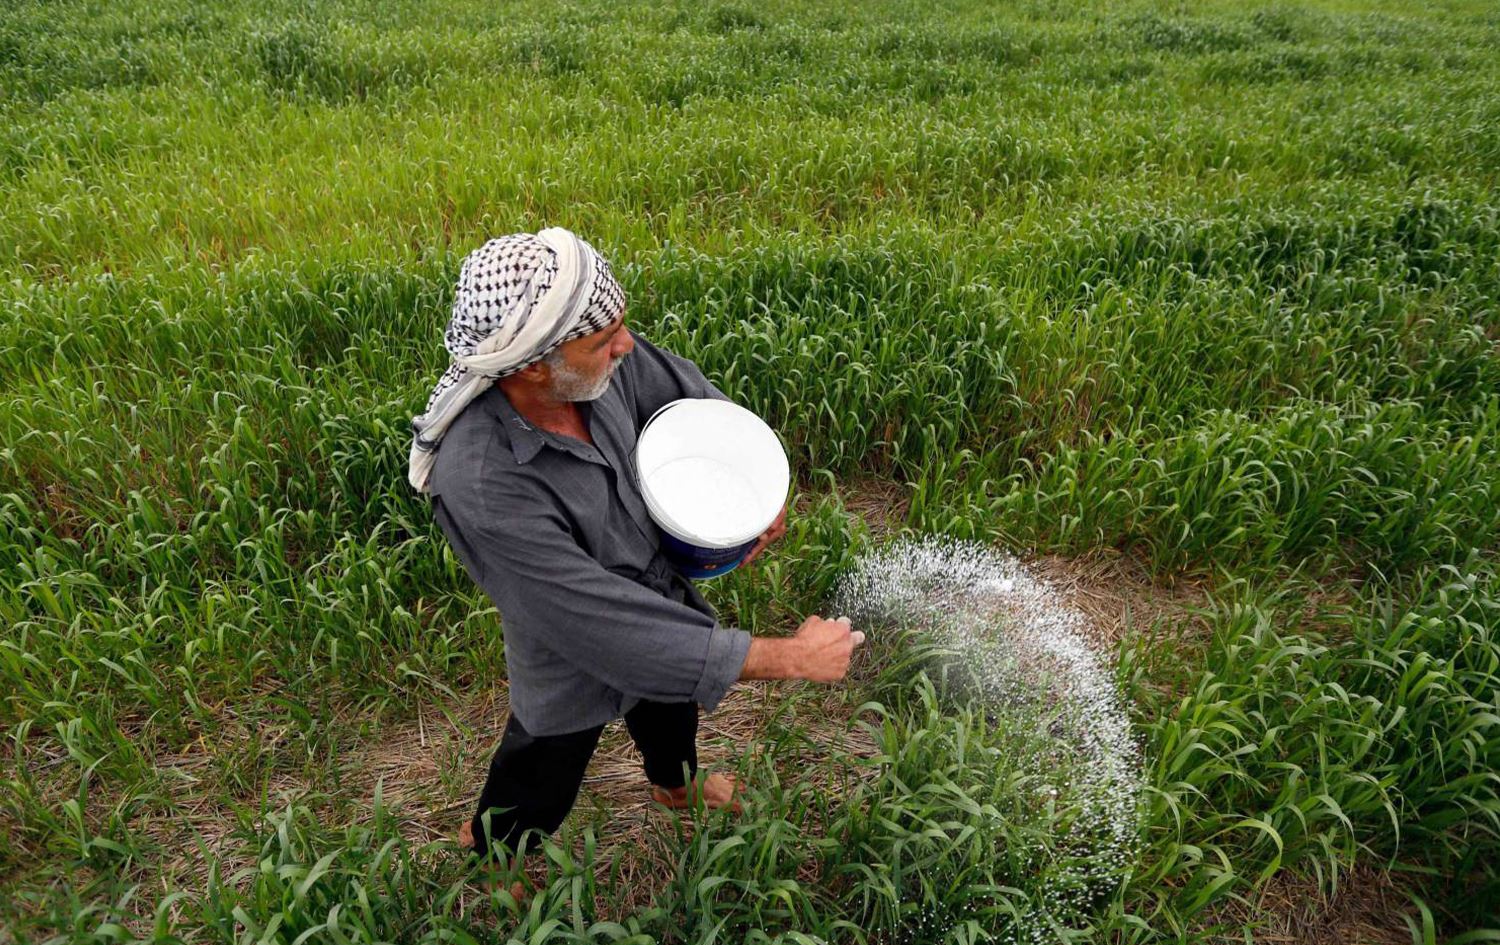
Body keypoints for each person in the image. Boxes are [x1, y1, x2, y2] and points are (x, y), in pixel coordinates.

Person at [407, 226, 864, 896]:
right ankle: (495, 848)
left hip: (656, 592)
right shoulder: (482, 479)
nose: (625, 345)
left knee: (672, 705)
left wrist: (755, 495)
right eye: (604, 338)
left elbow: (690, 400)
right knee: (546, 756)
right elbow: (605, 628)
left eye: (620, 325)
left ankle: (675, 786)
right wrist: (790, 657)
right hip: (570, 638)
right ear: (533, 365)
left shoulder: (593, 363)